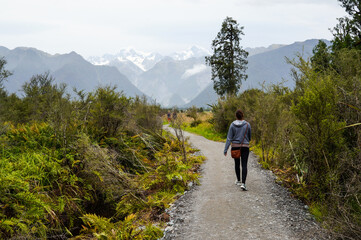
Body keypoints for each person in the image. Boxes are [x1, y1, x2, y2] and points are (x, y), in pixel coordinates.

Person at [224, 109, 251, 191]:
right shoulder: (247, 124)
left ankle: (238, 180)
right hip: (245, 146)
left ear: (236, 116)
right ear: (242, 115)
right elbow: (249, 136)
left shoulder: (232, 125)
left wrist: (226, 149)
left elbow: (229, 138)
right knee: (244, 164)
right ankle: (243, 183)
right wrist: (246, 141)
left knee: (237, 164)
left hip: (235, 147)